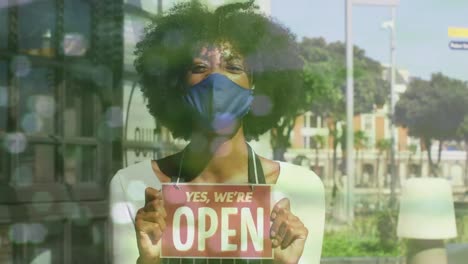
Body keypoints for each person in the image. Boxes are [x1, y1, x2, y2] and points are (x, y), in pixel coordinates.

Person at [109, 1, 325, 263]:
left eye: (233, 68)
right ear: (177, 84)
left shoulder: (300, 188)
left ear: (257, 86)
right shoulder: (135, 184)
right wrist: (149, 259)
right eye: (200, 68)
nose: (216, 81)